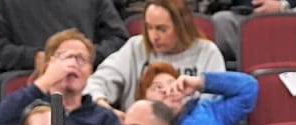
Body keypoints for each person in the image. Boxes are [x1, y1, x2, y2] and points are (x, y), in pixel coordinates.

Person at [0, 28, 126, 125]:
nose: (73, 64)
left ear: (90, 71)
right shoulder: (31, 106)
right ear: (48, 65)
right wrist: (45, 81)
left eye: (81, 59)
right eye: (65, 57)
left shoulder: (104, 117)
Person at [87, 0, 223, 112]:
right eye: (149, 27)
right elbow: (95, 84)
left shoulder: (207, 52)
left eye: (162, 29)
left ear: (182, 27)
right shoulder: (135, 47)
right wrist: (106, 110)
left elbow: (214, 104)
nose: (153, 36)